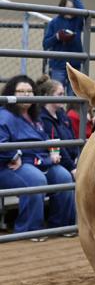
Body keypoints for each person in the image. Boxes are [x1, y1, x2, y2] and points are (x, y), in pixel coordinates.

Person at [0, 75, 76, 241]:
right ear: (12, 93)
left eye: (29, 91)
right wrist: (14, 154)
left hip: (40, 160)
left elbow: (43, 139)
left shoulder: (35, 117)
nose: (26, 95)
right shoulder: (4, 115)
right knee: (36, 179)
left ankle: (61, 225)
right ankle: (29, 229)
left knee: (63, 176)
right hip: (10, 166)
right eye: (21, 91)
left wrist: (51, 152)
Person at [42, 0, 85, 96]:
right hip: (58, 65)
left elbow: (84, 14)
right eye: (68, 8)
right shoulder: (54, 22)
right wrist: (57, 37)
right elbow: (45, 44)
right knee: (56, 94)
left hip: (75, 65)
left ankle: (70, 113)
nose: (71, 11)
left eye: (74, 8)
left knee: (74, 96)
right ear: (63, 6)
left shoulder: (78, 20)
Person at [36, 74, 79, 178]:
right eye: (59, 94)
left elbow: (73, 138)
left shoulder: (62, 114)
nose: (63, 97)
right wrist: (72, 168)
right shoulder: (43, 118)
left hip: (72, 161)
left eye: (63, 94)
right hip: (58, 162)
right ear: (47, 96)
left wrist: (78, 157)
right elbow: (57, 146)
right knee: (66, 177)